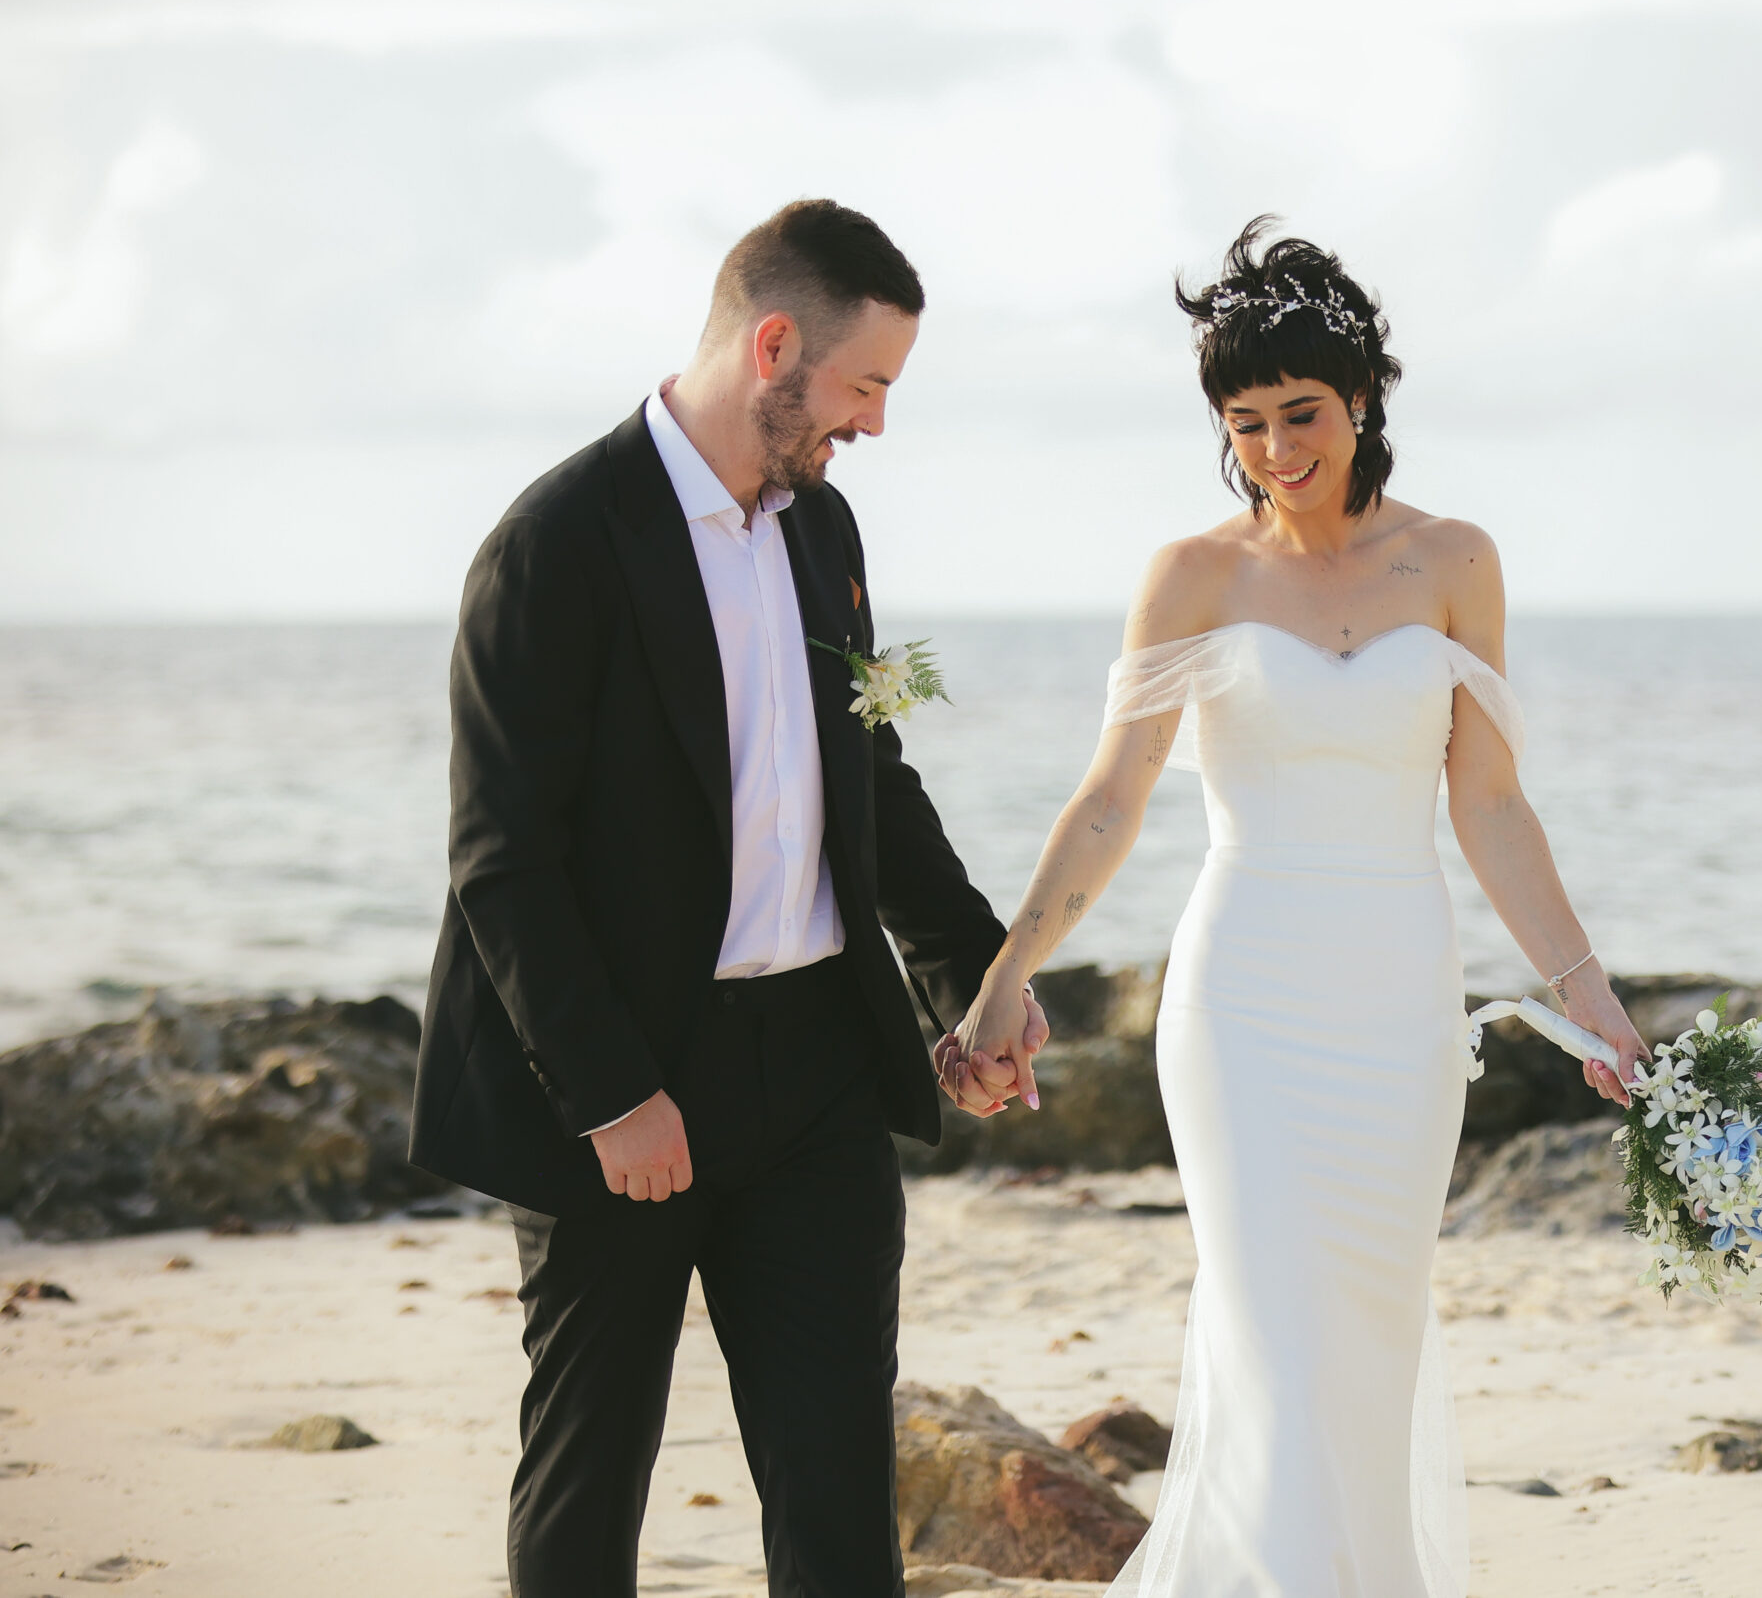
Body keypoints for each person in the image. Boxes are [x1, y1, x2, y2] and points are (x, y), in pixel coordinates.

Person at [937, 218, 1647, 1597]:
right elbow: (1110, 801)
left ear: (1365, 399)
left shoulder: (1453, 562)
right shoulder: (1194, 577)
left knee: (1366, 1345)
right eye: (1246, 421)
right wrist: (1009, 971)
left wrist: (1592, 1003)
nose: (1277, 448)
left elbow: (1490, 807)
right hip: (1242, 1003)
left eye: (1302, 414)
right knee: (1272, 1339)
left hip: (1396, 1006)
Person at [409, 199, 1044, 1597]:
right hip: (628, 1086)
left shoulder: (824, 536)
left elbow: (870, 785)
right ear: (775, 346)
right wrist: (608, 1093)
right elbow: (499, 853)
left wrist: (977, 982)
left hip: (816, 1073)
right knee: (590, 1486)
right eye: (865, 384)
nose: (873, 422)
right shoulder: (557, 545)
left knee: (834, 1495)